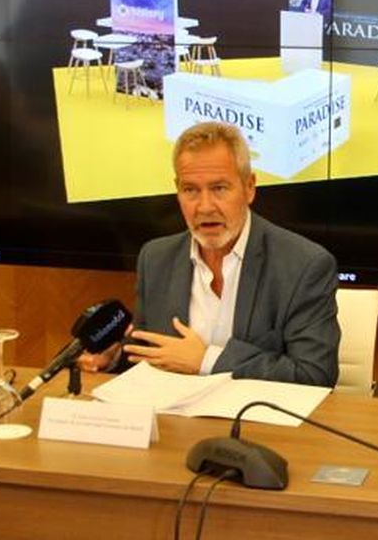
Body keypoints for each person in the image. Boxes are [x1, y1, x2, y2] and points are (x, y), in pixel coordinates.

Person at [80, 121, 340, 384]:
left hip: (254, 422)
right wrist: (112, 358)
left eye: (219, 188)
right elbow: (150, 353)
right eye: (190, 189)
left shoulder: (304, 265)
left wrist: (207, 360)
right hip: (175, 419)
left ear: (249, 187)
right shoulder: (156, 258)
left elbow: (314, 374)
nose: (204, 207)